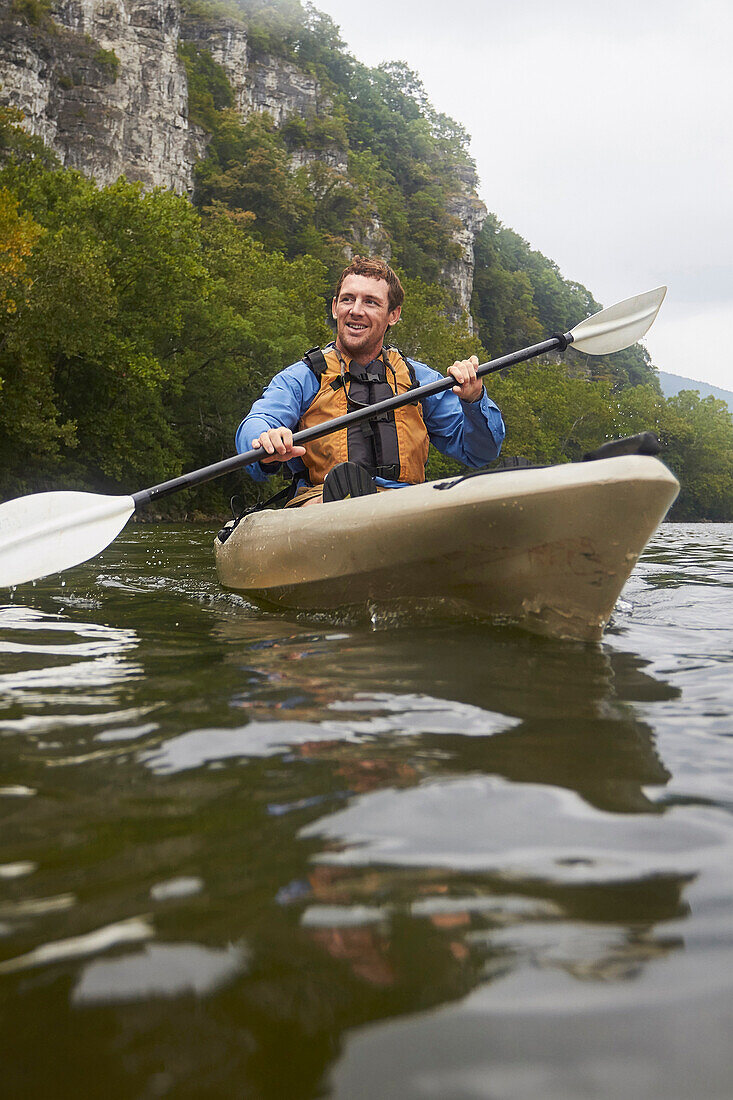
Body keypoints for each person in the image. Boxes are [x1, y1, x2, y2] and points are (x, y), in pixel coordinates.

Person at [235, 256, 505, 504]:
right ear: (334, 307)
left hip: (405, 503)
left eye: (371, 302)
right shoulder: (304, 377)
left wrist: (474, 399)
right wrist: (265, 439)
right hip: (322, 502)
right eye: (347, 299)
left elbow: (479, 452)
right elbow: (258, 421)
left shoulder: (419, 379)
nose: (356, 310)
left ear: (393, 315)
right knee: (333, 498)